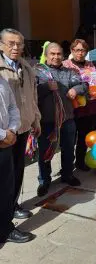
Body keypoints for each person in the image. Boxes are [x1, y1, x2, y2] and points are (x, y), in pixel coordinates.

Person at [35, 43, 88, 197]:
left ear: (63, 56)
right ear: (46, 55)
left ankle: (67, 174)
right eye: (52, 54)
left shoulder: (69, 72)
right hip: (47, 121)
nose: (56, 57)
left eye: (59, 54)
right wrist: (45, 88)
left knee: (68, 148)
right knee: (45, 152)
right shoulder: (38, 72)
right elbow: (31, 95)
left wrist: (75, 89)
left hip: (67, 119)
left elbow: (84, 85)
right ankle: (44, 180)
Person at [0, 28, 41, 220]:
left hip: (22, 126)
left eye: (19, 44)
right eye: (11, 43)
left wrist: (36, 119)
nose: (15, 47)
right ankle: (5, 212)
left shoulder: (26, 66)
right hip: (5, 132)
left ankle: (13, 205)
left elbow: (32, 96)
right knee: (5, 176)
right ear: (1, 45)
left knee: (18, 169)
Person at [0, 77, 35, 243]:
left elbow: (13, 108)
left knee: (6, 189)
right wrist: (3, 135)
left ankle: (5, 229)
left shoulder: (3, 81)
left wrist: (12, 130)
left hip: (6, 143)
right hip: (3, 138)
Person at [63, 39, 96, 171]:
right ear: (72, 51)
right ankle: (67, 166)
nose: (80, 53)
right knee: (69, 139)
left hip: (88, 107)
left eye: (83, 50)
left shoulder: (91, 65)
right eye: (77, 50)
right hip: (71, 108)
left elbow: (94, 83)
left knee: (84, 136)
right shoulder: (65, 65)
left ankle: (80, 161)